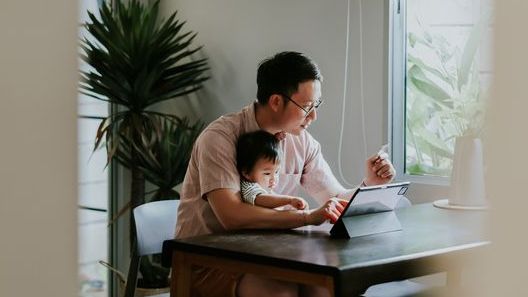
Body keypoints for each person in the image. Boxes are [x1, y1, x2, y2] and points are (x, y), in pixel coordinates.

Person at [175, 51, 398, 297]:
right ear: (276, 101)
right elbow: (232, 215)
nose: (313, 116)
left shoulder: (302, 142)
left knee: (325, 288)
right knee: (281, 293)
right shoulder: (220, 138)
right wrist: (305, 217)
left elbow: (333, 199)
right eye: (306, 106)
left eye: (317, 105)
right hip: (208, 264)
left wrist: (370, 185)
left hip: (272, 257)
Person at [236, 130, 307, 211]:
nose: (274, 178)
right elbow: (260, 198)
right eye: (267, 173)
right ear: (246, 173)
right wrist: (289, 200)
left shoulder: (265, 187)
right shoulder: (248, 186)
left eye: (276, 172)